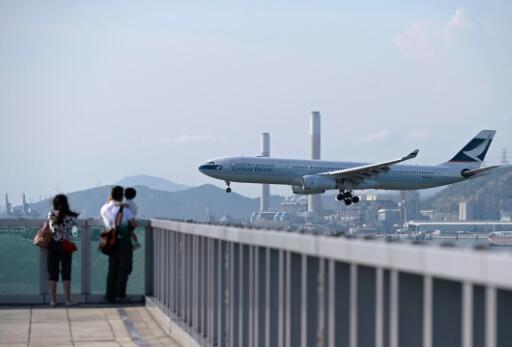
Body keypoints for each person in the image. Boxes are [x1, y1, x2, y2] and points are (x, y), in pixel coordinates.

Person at [100, 186, 137, 303]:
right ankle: (120, 296)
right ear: (122, 195)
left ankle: (110, 296)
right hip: (123, 241)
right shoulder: (124, 209)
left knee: (112, 269)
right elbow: (134, 223)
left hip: (110, 241)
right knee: (124, 269)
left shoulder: (104, 208)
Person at [47, 194, 79, 307]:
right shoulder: (73, 216)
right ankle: (67, 300)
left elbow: (51, 230)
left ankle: (53, 301)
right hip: (66, 246)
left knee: (52, 274)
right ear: (66, 203)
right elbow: (75, 233)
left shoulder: (51, 214)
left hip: (53, 246)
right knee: (66, 274)